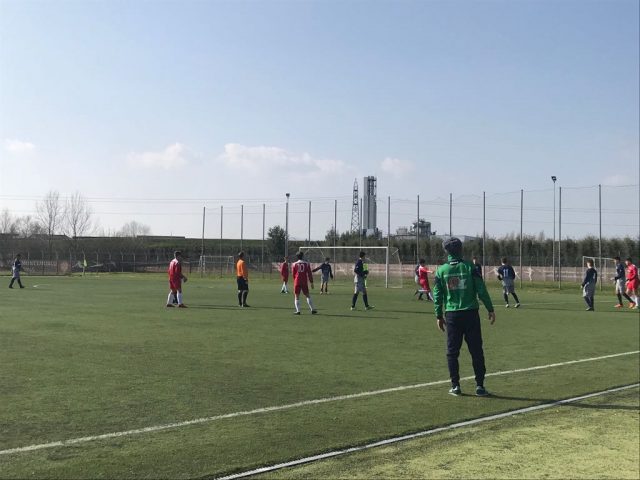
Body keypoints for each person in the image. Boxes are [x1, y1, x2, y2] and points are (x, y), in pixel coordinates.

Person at [433, 237, 495, 397]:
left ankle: (455, 386)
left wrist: (438, 315)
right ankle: (480, 386)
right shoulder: (470, 267)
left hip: (452, 315)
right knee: (476, 351)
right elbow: (481, 289)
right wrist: (490, 308)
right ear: (460, 250)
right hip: (471, 314)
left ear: (446, 251)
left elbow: (437, 295)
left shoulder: (441, 270)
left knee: (452, 352)